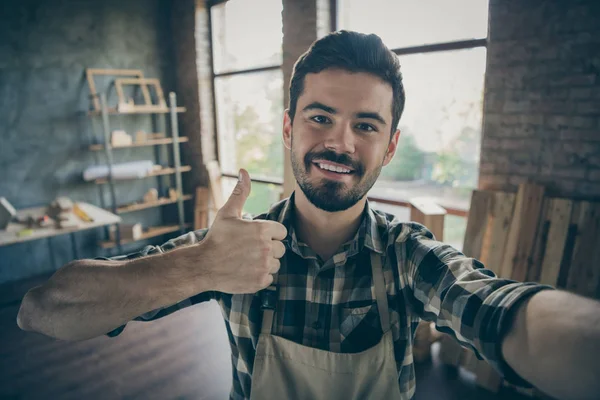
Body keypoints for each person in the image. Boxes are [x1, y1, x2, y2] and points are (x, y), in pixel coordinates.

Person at [17, 31, 600, 400]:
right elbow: (43, 312)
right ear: (290, 128)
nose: (340, 143)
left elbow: (501, 311)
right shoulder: (227, 251)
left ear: (390, 146)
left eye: (365, 126)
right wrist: (198, 267)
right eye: (319, 117)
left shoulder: (409, 258)